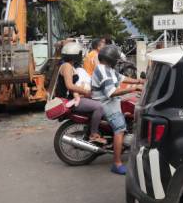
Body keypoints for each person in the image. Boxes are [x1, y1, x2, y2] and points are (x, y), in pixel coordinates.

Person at [91, 44, 145, 175]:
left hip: (111, 101)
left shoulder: (107, 68)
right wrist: (134, 88)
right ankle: (117, 163)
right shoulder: (104, 71)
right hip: (106, 103)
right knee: (119, 129)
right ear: (111, 59)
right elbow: (112, 92)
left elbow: (122, 78)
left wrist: (139, 81)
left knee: (129, 106)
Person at [54, 42, 105, 144]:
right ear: (75, 55)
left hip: (74, 97)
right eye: (80, 54)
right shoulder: (67, 66)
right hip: (70, 100)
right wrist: (86, 92)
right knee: (100, 107)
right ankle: (93, 134)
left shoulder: (68, 65)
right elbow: (70, 85)